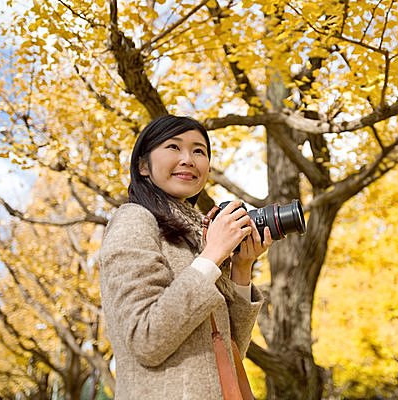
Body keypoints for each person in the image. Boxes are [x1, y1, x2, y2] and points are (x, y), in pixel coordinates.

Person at [100, 115, 271, 399]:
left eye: (199, 151)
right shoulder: (133, 219)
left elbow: (230, 355)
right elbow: (146, 338)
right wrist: (212, 255)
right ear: (143, 166)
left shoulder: (198, 236)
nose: (188, 159)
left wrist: (241, 268)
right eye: (173, 147)